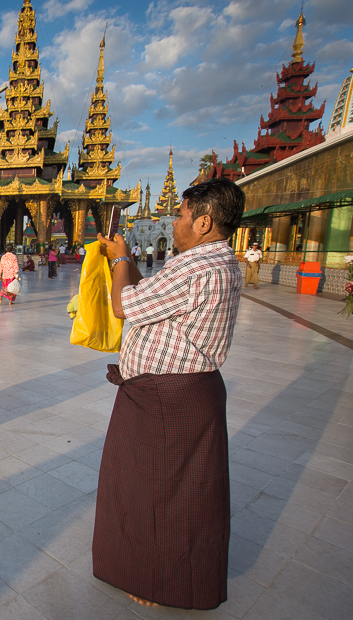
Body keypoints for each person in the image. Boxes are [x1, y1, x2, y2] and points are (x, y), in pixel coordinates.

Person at [93, 178, 245, 610]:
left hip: (169, 396)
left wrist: (121, 255)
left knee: (157, 493)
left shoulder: (197, 267)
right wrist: (123, 262)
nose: (174, 222)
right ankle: (164, 573)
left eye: (180, 215)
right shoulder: (217, 262)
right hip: (179, 392)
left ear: (204, 221)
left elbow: (123, 306)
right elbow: (143, 294)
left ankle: (157, 579)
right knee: (172, 490)